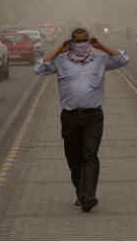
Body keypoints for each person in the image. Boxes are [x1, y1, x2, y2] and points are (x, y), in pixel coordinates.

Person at [34, 28, 129, 212]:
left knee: (90, 155)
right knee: (74, 158)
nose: (82, 45)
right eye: (77, 42)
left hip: (93, 116)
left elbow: (123, 59)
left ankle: (89, 196)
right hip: (70, 117)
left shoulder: (100, 61)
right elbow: (39, 68)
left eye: (85, 41)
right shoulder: (61, 62)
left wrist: (101, 46)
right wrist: (58, 50)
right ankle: (80, 191)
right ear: (71, 43)